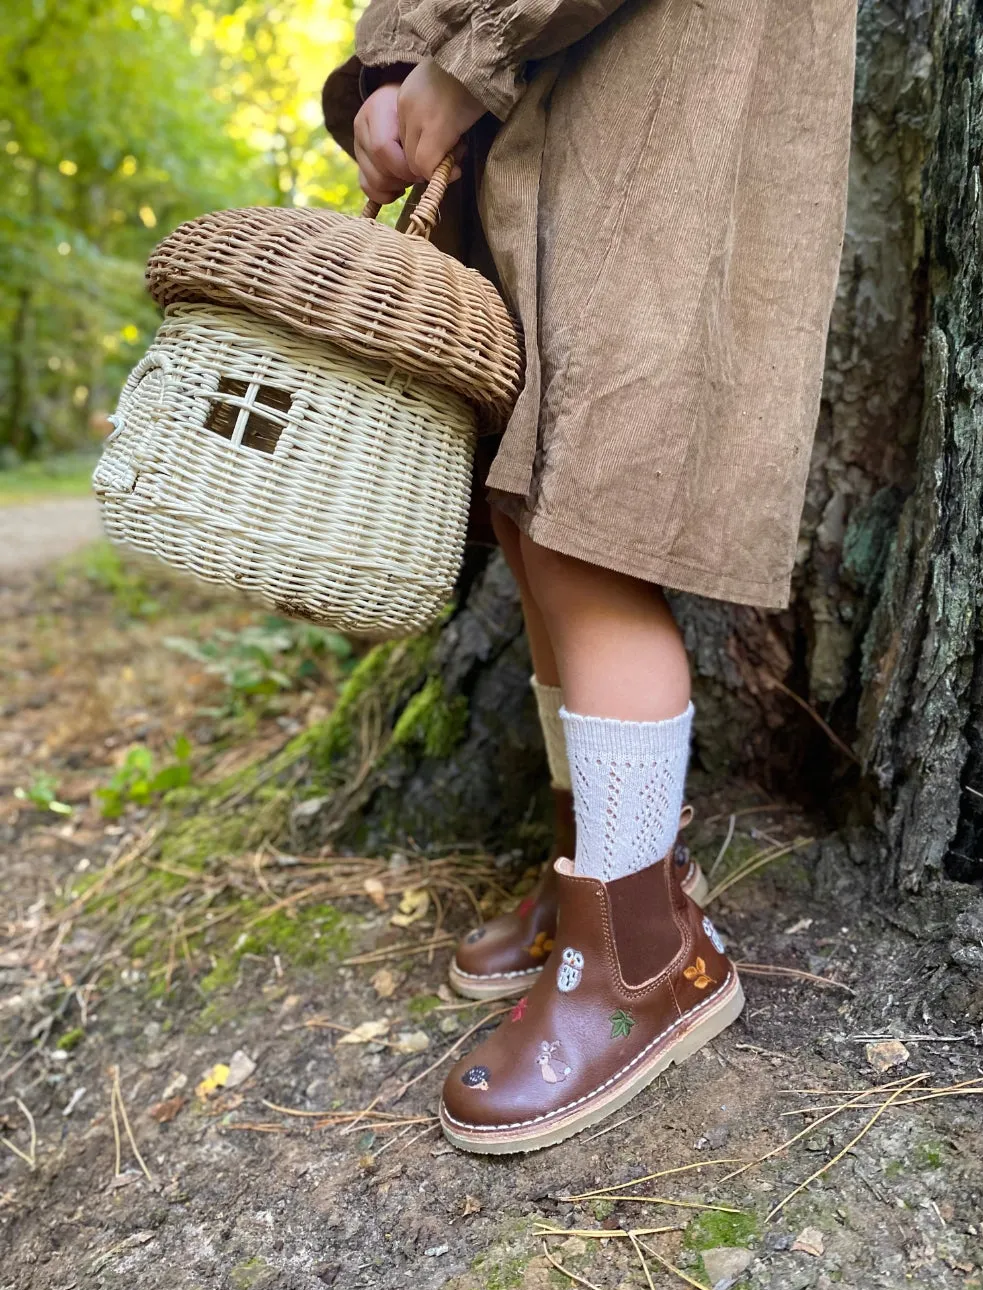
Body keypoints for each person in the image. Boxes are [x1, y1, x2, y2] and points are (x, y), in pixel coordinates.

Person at [322, 0, 857, 1154]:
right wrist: (415, 65)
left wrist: (465, 61)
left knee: (594, 522)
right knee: (531, 509)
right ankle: (602, 884)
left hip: (647, 84)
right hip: (553, 94)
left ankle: (641, 956)